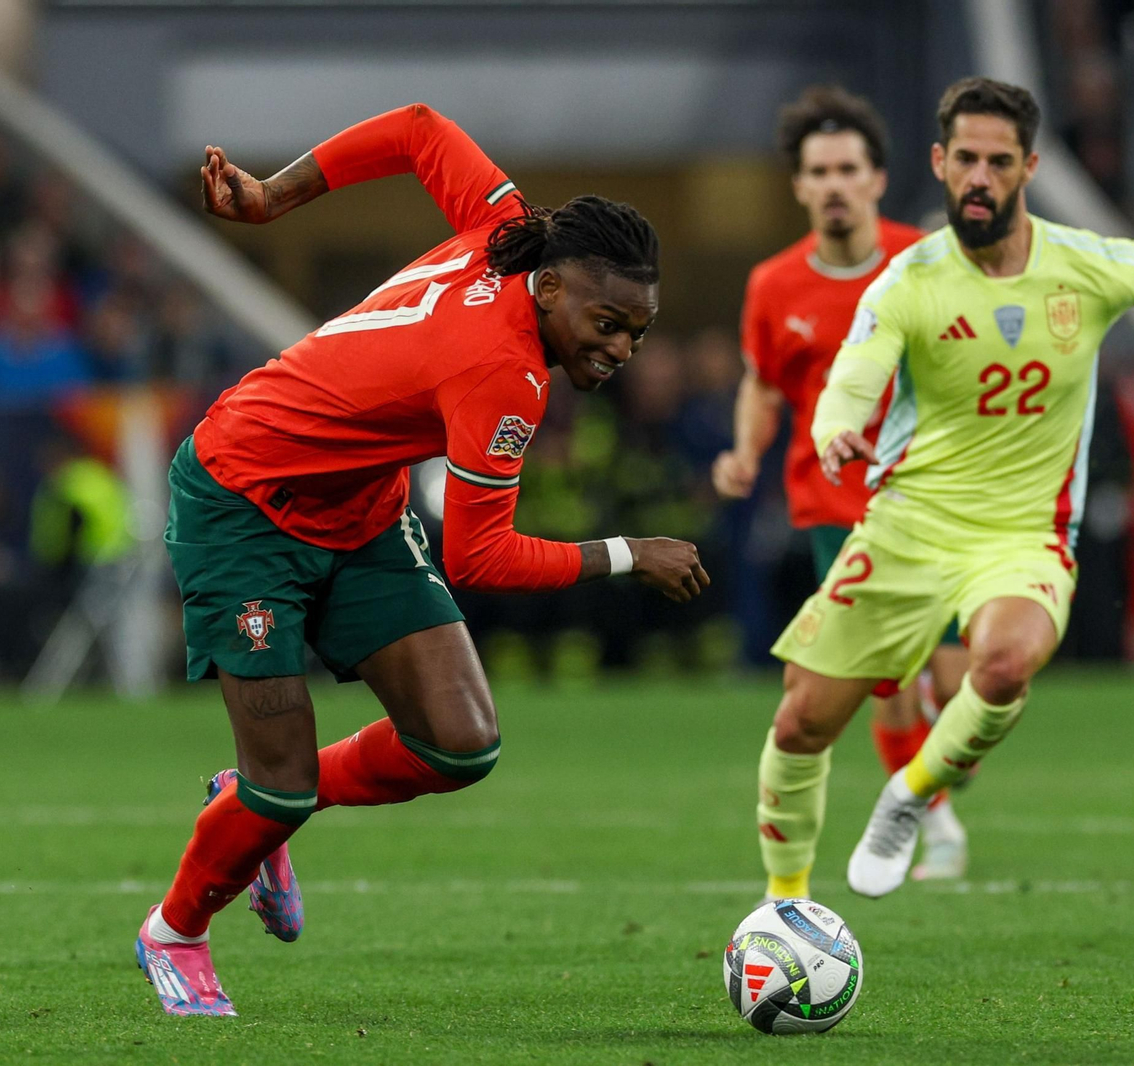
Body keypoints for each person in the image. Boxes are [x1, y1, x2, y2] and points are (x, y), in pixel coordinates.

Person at [135, 103, 709, 1017]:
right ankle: (176, 931)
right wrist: (626, 553)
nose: (619, 348)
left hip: (360, 509)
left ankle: (247, 810)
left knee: (460, 741)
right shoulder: (503, 375)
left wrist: (277, 194)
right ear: (554, 289)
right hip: (245, 505)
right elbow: (480, 557)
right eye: (608, 322)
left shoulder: (509, 226)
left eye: (636, 332)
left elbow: (414, 126)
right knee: (279, 789)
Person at [754, 77, 1134, 900]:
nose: (979, 176)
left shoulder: (1086, 267)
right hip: (908, 527)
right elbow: (858, 369)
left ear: (1028, 168)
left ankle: (909, 797)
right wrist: (839, 422)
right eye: (965, 158)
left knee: (1005, 665)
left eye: (998, 161)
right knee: (801, 721)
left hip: (1023, 538)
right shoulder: (908, 280)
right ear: (940, 163)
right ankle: (784, 900)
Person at [710, 85, 967, 895]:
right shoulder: (774, 286)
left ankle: (935, 789)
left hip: (936, 500)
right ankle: (933, 817)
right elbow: (762, 383)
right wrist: (746, 450)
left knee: (964, 680)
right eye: (818, 170)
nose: (833, 183)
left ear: (878, 178)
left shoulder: (923, 263)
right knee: (887, 678)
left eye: (847, 168)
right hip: (836, 509)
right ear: (798, 185)